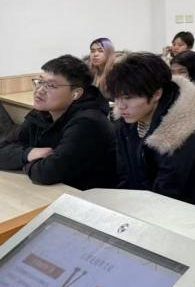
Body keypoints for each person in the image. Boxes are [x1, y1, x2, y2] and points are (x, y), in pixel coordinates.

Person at [109, 53, 195, 211]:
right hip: (145, 211)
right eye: (116, 97)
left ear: (156, 94)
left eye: (128, 97)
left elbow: (169, 197)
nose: (120, 105)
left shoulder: (183, 134)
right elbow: (125, 178)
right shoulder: (127, 126)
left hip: (191, 217)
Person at [0, 55, 116, 190]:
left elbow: (48, 172)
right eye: (40, 82)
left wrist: (25, 163)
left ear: (76, 93)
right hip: (55, 192)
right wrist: (29, 153)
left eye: (50, 85)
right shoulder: (43, 112)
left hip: (88, 197)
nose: (39, 90)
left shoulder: (89, 122)